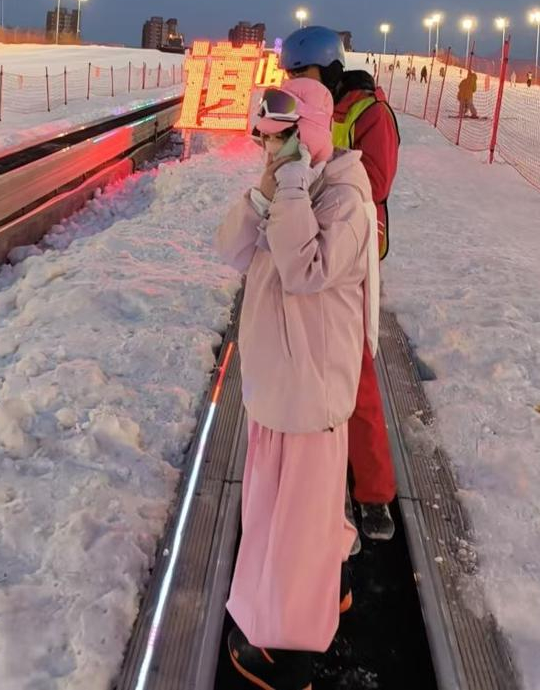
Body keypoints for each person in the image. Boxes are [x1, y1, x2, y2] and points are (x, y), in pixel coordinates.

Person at [216, 80, 377, 690]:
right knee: (292, 514)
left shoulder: (344, 197)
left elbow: (306, 270)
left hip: (307, 391)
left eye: (280, 140)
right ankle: (324, 590)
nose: (269, 150)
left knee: (294, 526)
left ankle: (286, 650)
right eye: (264, 140)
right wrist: (265, 191)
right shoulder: (294, 184)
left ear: (308, 133)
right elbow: (231, 250)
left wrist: (286, 187)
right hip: (278, 384)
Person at [280, 27, 398, 543]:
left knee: (357, 373)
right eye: (290, 75)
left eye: (302, 73)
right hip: (307, 245)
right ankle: (316, 479)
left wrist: (324, 161)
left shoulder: (370, 113)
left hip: (350, 256)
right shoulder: (302, 108)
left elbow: (378, 182)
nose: (295, 83)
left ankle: (374, 493)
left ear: (328, 70)